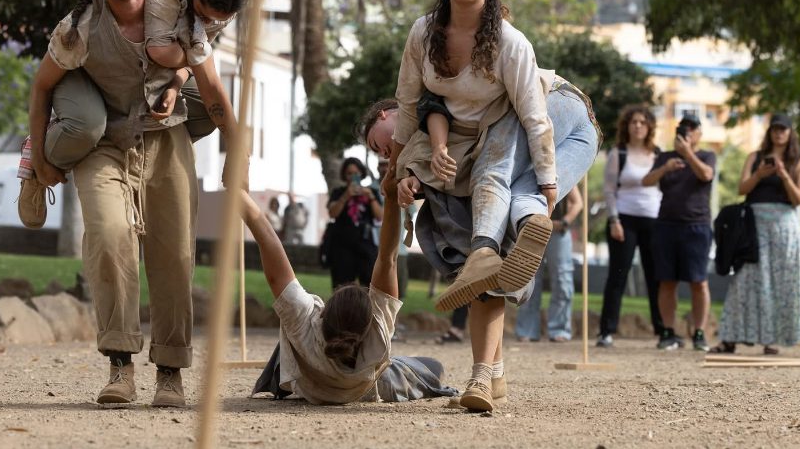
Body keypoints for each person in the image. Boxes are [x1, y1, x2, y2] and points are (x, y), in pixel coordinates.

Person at [26, 0, 202, 407]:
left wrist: (175, 81)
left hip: (167, 140)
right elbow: (41, 87)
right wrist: (41, 160)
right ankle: (120, 366)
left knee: (174, 257)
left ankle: (170, 373)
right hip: (104, 146)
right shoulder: (79, 27)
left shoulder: (174, 11)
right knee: (108, 237)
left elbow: (201, 56)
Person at [363, 84, 598, 412]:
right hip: (587, 128)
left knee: (490, 189)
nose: (385, 152)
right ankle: (494, 378)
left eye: (379, 143)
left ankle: (482, 375)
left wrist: (409, 175)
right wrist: (406, 179)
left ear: (385, 114)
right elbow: (418, 165)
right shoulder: (414, 142)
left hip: (551, 102)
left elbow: (431, 141)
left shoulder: (421, 111)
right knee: (525, 198)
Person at [388, 0, 560, 315]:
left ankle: (503, 248)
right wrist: (396, 166)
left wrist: (548, 183)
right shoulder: (422, 32)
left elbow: (535, 117)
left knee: (495, 183)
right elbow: (410, 102)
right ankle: (479, 270)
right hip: (444, 136)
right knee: (435, 213)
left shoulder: (511, 44)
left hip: (505, 128)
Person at [17, 0, 247, 228]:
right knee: (87, 124)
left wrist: (175, 84)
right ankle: (43, 153)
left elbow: (198, 64)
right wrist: (40, 160)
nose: (209, 24)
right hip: (93, 67)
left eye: (215, 21)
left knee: (200, 107)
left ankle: (133, 142)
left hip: (147, 71)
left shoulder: (221, 4)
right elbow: (164, 52)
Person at [247, 166, 456, 404]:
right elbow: (388, 259)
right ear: (367, 326)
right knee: (433, 366)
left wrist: (240, 193)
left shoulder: (304, 327)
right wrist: (389, 198)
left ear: (324, 314)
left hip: (313, 382)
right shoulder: (377, 335)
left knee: (288, 338)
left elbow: (268, 242)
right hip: (371, 387)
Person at [711, 113, 800, 355]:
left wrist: (783, 174)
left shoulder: (797, 160)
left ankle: (771, 339)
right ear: (769, 131)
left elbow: (799, 198)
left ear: (790, 132)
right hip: (754, 226)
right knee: (745, 278)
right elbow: (742, 189)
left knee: (779, 283)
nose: (779, 133)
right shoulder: (755, 157)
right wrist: (759, 175)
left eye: (783, 129)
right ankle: (730, 337)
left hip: (784, 226)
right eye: (775, 128)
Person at [643, 115, 717, 352]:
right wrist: (665, 167)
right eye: (683, 128)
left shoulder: (706, 155)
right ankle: (667, 331)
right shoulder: (665, 157)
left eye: (692, 128)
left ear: (699, 134)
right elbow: (646, 181)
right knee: (667, 281)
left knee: (699, 282)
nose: (687, 132)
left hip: (697, 226)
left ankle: (699, 332)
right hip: (666, 225)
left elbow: (706, 175)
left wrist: (688, 154)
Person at [597, 105, 663, 348]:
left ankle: (662, 330)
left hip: (653, 220)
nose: (638, 126)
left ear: (649, 127)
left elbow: (665, 189)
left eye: (642, 122)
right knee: (618, 276)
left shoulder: (658, 153)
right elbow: (609, 190)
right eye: (634, 122)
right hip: (624, 220)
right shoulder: (618, 153)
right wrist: (615, 220)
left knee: (656, 276)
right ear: (627, 125)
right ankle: (606, 331)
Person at [515, 185, 583, 342]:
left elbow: (578, 202)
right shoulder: (529, 170)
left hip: (558, 231)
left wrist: (565, 222)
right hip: (532, 228)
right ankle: (527, 329)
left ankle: (559, 329)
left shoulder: (564, 169)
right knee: (529, 278)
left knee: (562, 278)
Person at [325, 157, 383, 289]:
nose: (353, 176)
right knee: (341, 285)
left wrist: (371, 198)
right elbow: (332, 213)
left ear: (362, 174)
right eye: (349, 173)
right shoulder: (338, 192)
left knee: (369, 285)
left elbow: (380, 216)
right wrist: (346, 196)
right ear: (344, 175)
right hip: (342, 245)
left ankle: (367, 309)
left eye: (356, 173)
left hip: (366, 243)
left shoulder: (371, 191)